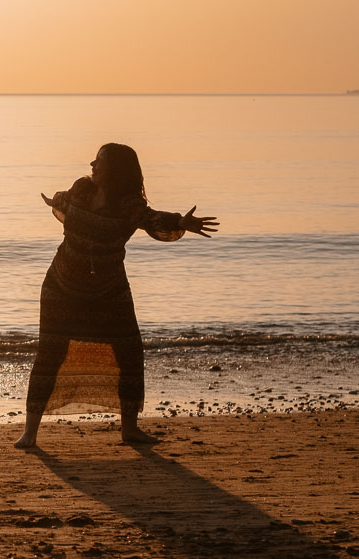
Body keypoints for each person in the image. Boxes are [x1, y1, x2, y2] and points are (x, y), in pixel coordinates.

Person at [15, 143, 217, 448]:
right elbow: (64, 201)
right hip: (61, 285)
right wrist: (52, 199)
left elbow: (153, 219)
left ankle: (129, 429)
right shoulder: (82, 189)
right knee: (50, 353)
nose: (92, 164)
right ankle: (29, 433)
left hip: (110, 289)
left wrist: (180, 222)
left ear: (116, 170)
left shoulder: (129, 204)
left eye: (100, 161)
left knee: (130, 352)